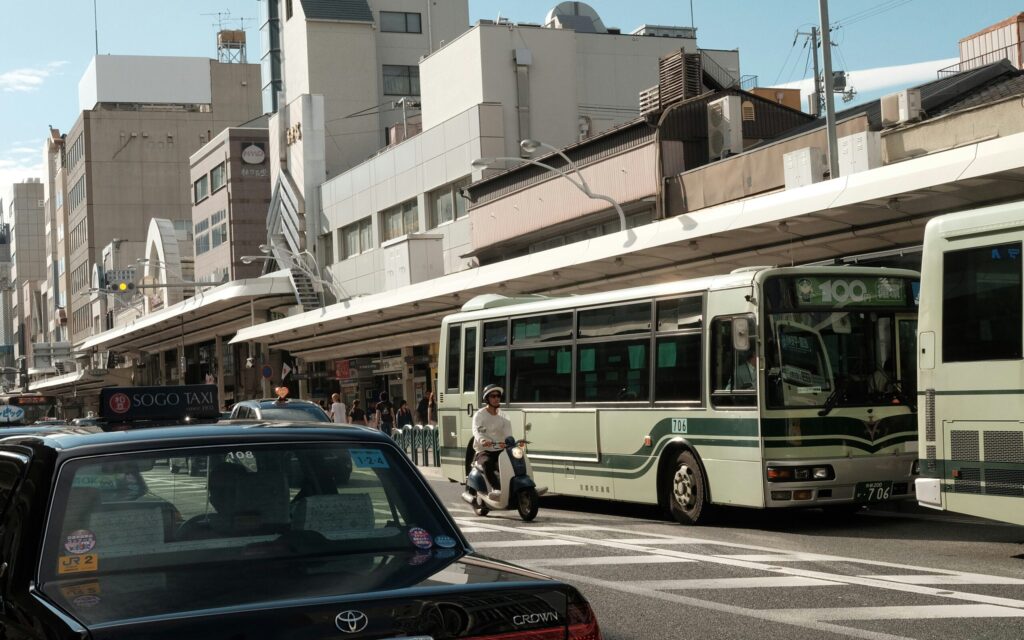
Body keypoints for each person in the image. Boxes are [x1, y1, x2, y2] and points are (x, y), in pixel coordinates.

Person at [464, 384, 512, 502]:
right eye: (493, 396)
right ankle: (496, 489)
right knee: (488, 462)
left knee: (513, 462)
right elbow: (477, 430)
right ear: (487, 399)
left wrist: (510, 441)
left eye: (498, 396)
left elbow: (508, 433)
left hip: (500, 449)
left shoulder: (503, 416)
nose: (496, 398)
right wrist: (482, 440)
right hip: (484, 450)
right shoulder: (480, 415)